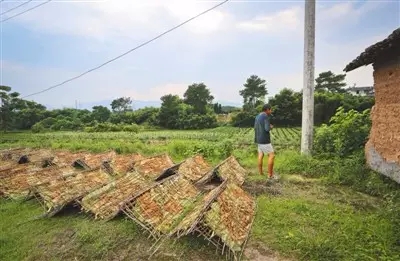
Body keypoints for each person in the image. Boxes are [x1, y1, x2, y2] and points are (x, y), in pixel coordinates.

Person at [254, 104, 277, 179]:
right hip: (265, 140)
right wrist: (271, 127)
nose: (271, 111)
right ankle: (270, 175)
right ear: (267, 110)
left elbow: (255, 127)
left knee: (260, 155)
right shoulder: (266, 117)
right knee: (271, 155)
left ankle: (260, 173)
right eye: (270, 110)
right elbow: (267, 129)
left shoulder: (257, 116)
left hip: (258, 139)